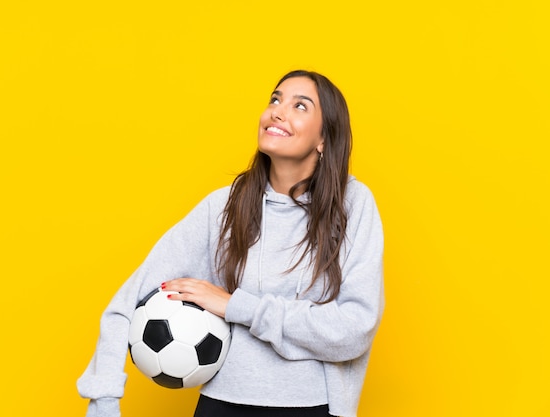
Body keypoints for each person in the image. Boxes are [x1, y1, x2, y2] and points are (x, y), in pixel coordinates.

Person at [77, 70, 384, 417]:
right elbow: (128, 299)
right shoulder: (223, 207)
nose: (278, 111)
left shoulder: (353, 205)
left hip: (314, 406)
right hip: (222, 405)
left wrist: (236, 306)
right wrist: (103, 398)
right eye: (275, 99)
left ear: (324, 139)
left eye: (300, 105)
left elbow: (354, 329)